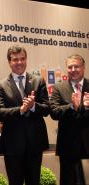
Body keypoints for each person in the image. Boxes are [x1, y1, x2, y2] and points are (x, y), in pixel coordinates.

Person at [0, 45, 50, 185]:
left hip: (35, 143)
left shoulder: (38, 81)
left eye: (22, 59)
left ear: (26, 60)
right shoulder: (1, 85)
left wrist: (33, 106)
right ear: (9, 62)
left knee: (34, 181)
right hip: (13, 145)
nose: (19, 62)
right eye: (15, 59)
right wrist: (21, 110)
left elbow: (47, 109)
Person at [50, 54, 89, 185]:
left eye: (76, 66)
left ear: (83, 68)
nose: (73, 69)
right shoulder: (59, 88)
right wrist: (72, 106)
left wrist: (86, 108)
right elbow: (54, 112)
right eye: (70, 67)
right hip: (68, 146)